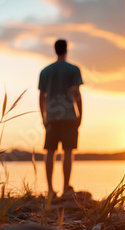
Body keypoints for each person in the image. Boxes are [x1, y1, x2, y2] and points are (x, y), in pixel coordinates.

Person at [39, 39, 83, 198]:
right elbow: (76, 93)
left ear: (55, 50)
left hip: (51, 118)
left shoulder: (45, 71)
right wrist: (80, 114)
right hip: (70, 117)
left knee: (50, 151)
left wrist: (43, 116)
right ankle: (65, 187)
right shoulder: (73, 69)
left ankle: (50, 189)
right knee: (68, 151)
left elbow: (41, 96)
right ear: (66, 50)